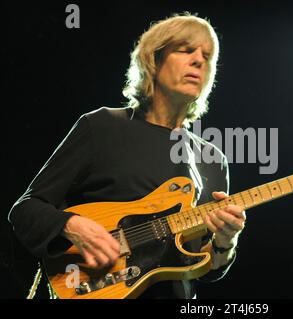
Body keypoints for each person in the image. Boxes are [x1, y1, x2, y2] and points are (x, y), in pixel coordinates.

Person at [8, 13, 246, 299]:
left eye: (207, 56)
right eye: (185, 50)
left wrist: (225, 242)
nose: (198, 60)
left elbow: (206, 268)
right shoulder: (101, 126)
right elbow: (26, 210)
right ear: (153, 60)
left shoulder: (212, 159)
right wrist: (70, 226)